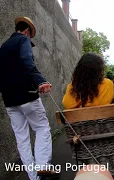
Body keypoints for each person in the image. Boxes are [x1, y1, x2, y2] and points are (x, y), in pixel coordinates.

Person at [0, 17, 54, 180]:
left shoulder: (3, 47)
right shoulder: (23, 40)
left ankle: (33, 177)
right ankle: (43, 169)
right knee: (41, 127)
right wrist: (41, 81)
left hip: (9, 100)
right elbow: (27, 62)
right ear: (27, 31)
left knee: (21, 138)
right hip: (27, 96)